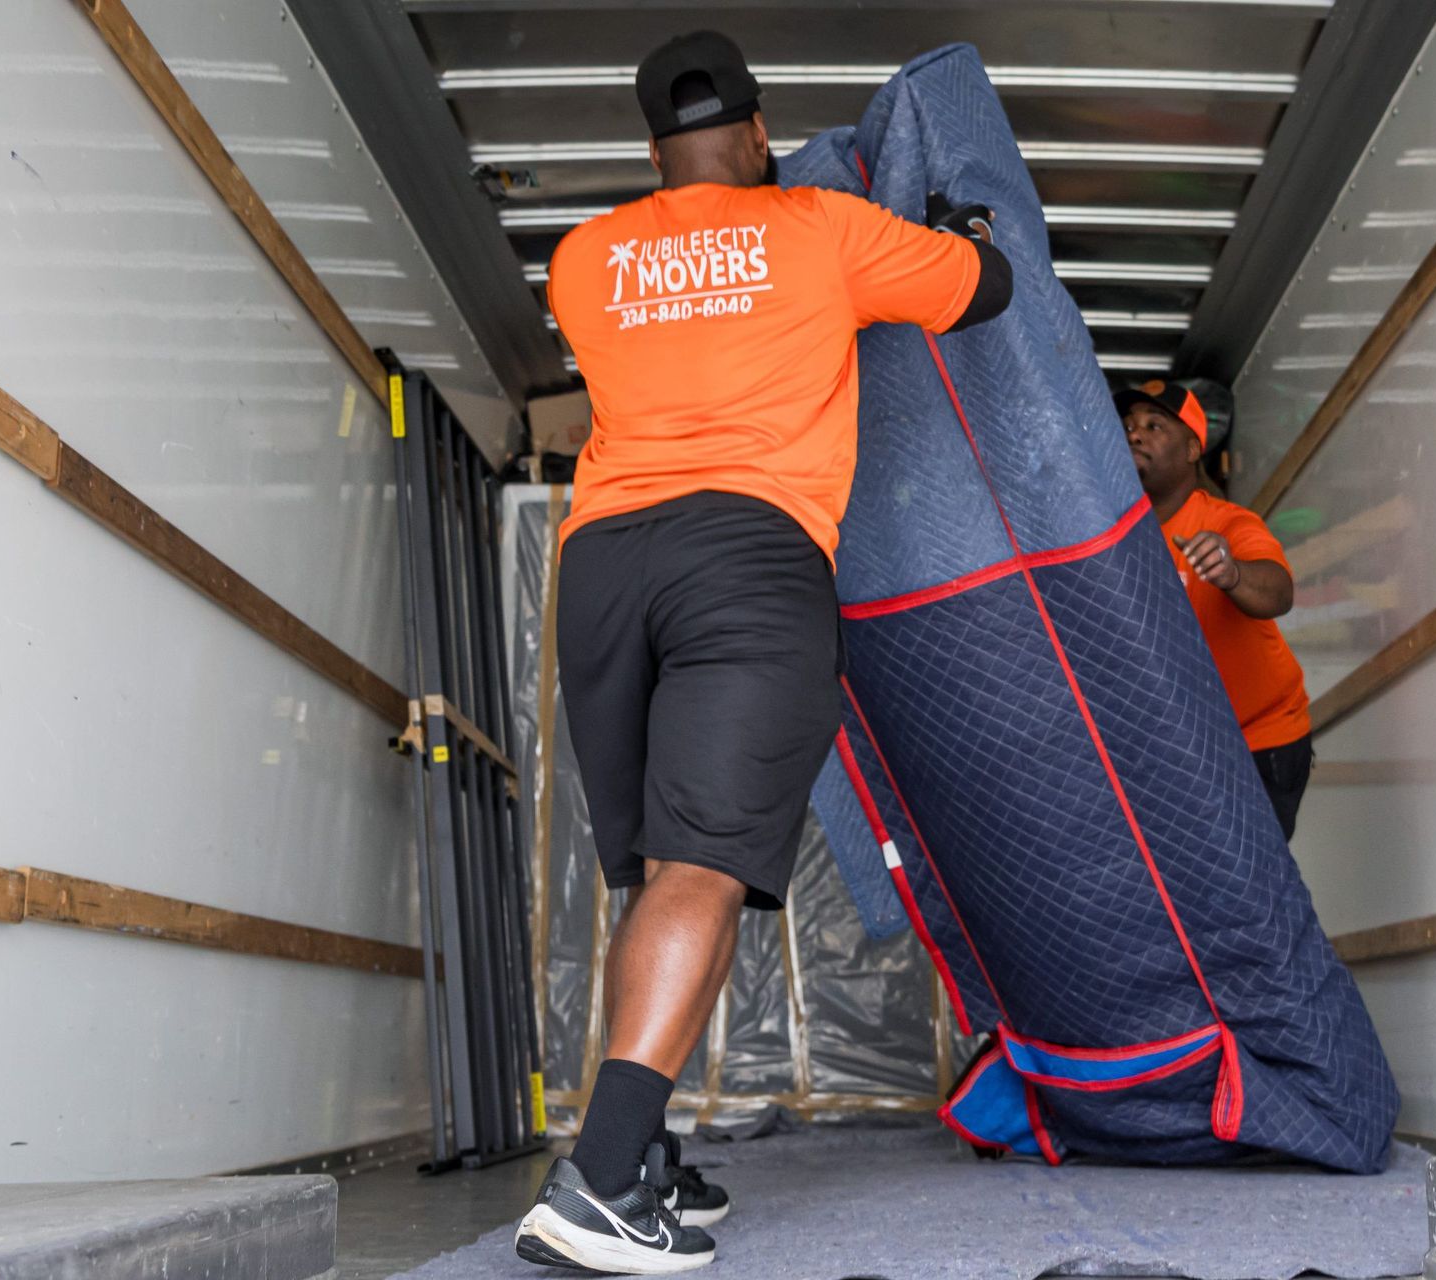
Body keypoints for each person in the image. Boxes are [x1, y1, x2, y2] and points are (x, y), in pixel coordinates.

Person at [517, 30, 1012, 1275]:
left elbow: (674, 309)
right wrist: (973, 233)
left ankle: (648, 1154)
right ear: (754, 133)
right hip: (749, 550)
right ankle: (598, 1182)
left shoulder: (582, 260)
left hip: (605, 565)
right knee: (706, 865)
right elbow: (980, 291)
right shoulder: (815, 225)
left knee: (662, 869)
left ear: (651, 152)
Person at [1119, 381, 1314, 839]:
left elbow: (1279, 593)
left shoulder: (1229, 522)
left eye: (1153, 425)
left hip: (1259, 742)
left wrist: (1233, 574)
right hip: (1181, 746)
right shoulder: (1116, 536)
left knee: (1250, 885)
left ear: (1192, 449)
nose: (1134, 434)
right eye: (1126, 426)